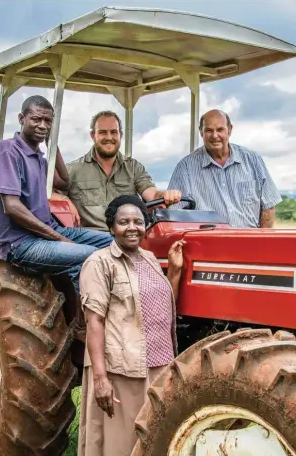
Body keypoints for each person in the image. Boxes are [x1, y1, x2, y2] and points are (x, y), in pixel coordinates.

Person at [77, 195, 185, 456]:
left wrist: (175, 271)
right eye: (123, 221)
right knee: (122, 441)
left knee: (155, 434)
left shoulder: (148, 258)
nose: (131, 227)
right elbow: (95, 322)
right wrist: (101, 379)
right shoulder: (99, 263)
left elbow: (162, 305)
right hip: (123, 368)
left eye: (138, 221)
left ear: (146, 226)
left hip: (159, 362)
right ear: (111, 227)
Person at [0, 95, 113, 292]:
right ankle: (85, 320)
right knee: (91, 255)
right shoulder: (8, 151)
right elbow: (11, 206)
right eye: (36, 119)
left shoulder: (39, 158)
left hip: (48, 232)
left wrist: (51, 142)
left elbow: (63, 182)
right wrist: (59, 238)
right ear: (22, 119)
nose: (42, 125)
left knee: (114, 243)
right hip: (22, 243)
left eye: (48, 121)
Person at [63, 110, 182, 231]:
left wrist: (166, 195)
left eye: (114, 132)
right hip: (91, 240)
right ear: (93, 136)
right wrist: (65, 200)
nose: (109, 137)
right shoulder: (73, 170)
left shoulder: (134, 168)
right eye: (103, 132)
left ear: (120, 134)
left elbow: (153, 195)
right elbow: (49, 192)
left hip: (127, 236)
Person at [167, 109, 283, 228]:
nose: (215, 135)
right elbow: (176, 215)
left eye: (220, 129)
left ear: (230, 130)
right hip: (208, 244)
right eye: (209, 130)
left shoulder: (252, 159)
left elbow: (268, 208)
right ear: (201, 132)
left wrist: (261, 243)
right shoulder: (185, 167)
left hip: (250, 242)